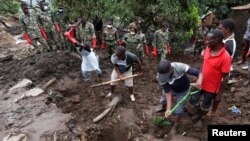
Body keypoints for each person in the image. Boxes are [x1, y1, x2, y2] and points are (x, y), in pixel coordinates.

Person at [189, 29, 231, 121]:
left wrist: (220, 94)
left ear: (217, 40)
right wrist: (198, 77)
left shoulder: (225, 57)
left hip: (211, 88)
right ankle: (198, 111)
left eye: (208, 40)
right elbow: (204, 65)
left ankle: (201, 116)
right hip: (200, 83)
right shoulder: (208, 49)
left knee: (206, 105)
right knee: (192, 100)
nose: (206, 42)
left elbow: (226, 77)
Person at [156, 59, 200, 133]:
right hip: (172, 89)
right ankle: (165, 109)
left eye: (165, 75)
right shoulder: (160, 77)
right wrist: (168, 109)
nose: (164, 77)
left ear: (170, 70)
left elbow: (198, 73)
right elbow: (167, 92)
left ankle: (176, 124)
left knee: (178, 111)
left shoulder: (179, 67)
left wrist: (199, 82)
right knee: (162, 100)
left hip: (183, 90)